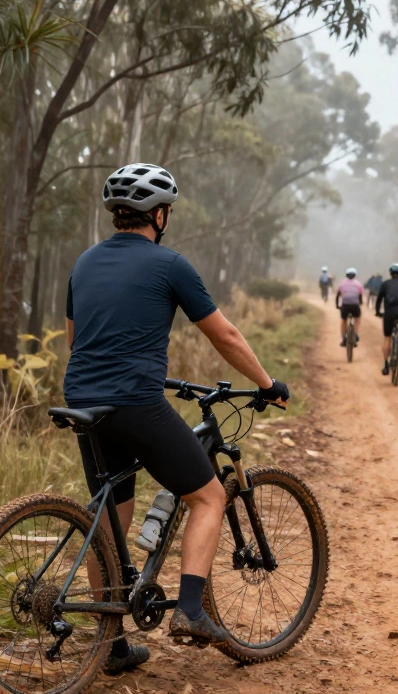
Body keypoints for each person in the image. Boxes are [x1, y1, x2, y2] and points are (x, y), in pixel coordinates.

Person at [66, 163, 290, 673]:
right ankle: (190, 610)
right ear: (159, 215)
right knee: (208, 495)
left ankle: (112, 646)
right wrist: (265, 383)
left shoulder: (83, 263)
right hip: (134, 401)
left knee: (111, 515)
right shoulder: (169, 265)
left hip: (83, 400)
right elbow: (225, 336)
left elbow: (78, 341)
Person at [336, 267, 364, 346]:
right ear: (355, 275)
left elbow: (338, 296)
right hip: (355, 305)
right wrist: (360, 303)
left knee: (344, 320)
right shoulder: (358, 284)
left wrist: (337, 306)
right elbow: (360, 296)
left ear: (346, 275)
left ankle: (343, 339)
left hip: (345, 306)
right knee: (357, 319)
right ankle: (354, 336)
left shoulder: (342, 283)